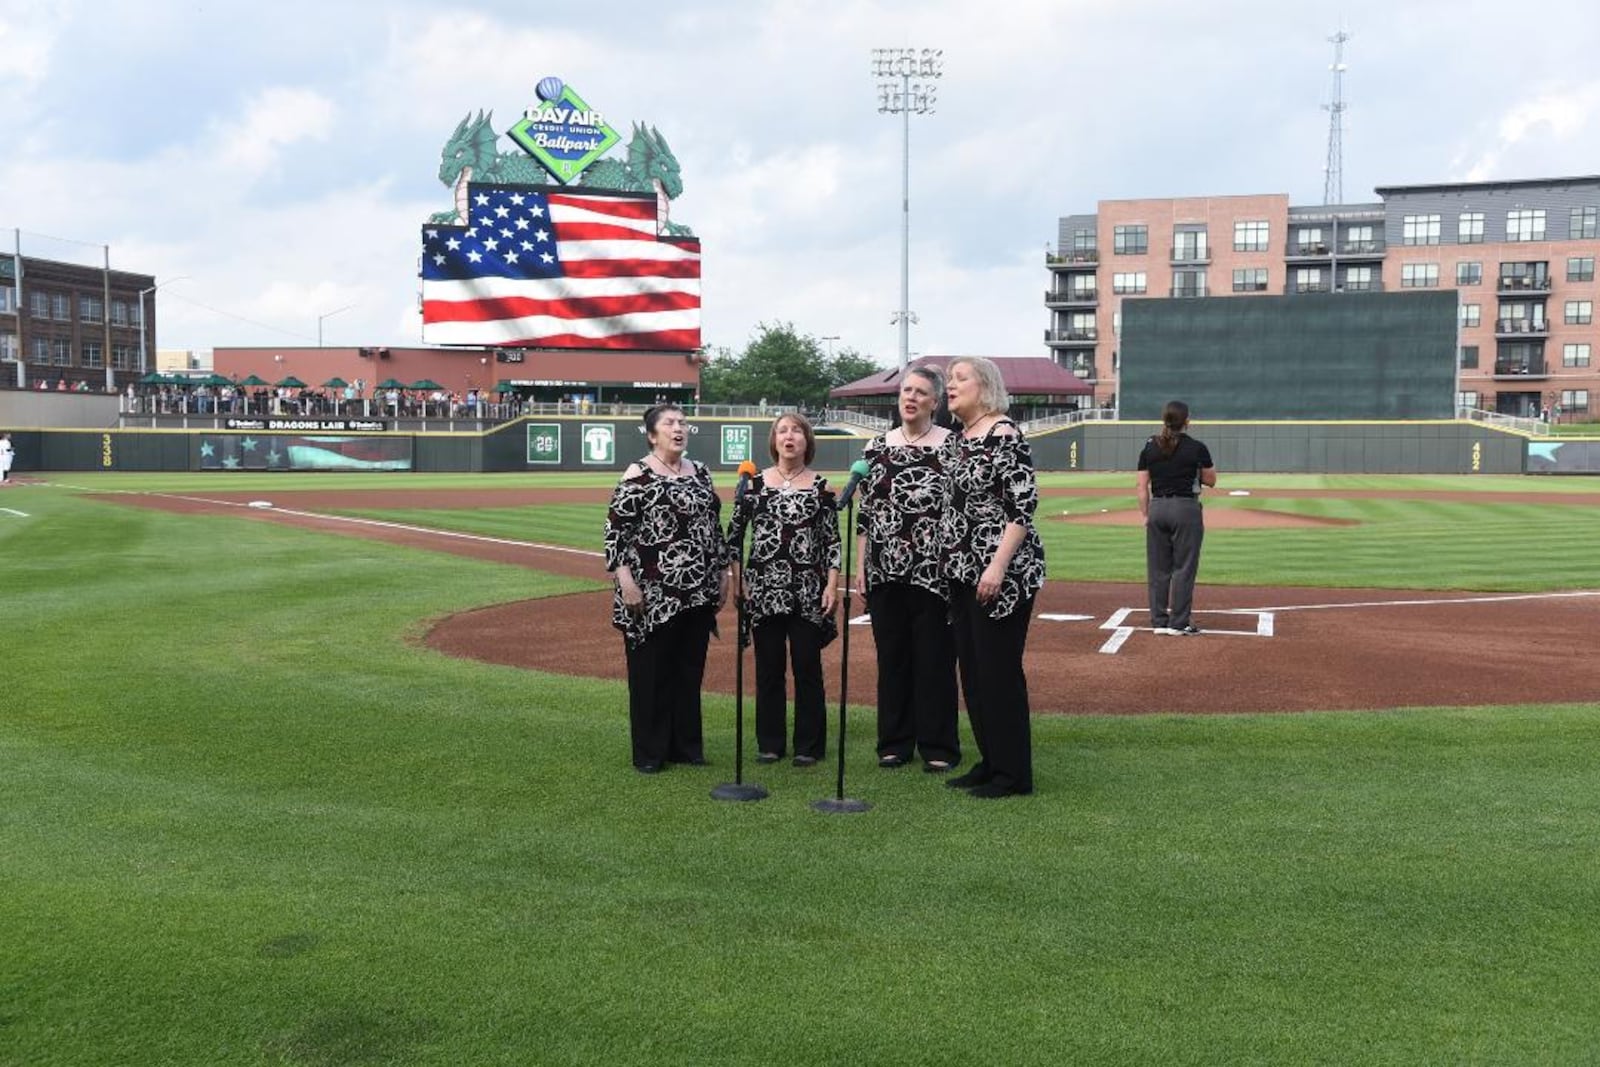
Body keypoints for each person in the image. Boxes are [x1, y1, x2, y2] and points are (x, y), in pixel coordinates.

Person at [604, 403, 731, 774]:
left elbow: (713, 526)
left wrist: (723, 571)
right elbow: (615, 532)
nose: (679, 428)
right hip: (652, 592)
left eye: (683, 422)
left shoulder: (701, 473)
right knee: (651, 673)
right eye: (670, 423)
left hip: (697, 590)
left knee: (689, 671)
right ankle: (650, 752)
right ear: (652, 434)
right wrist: (625, 580)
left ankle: (686, 747)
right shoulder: (637, 474)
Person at [940, 357, 1045, 799]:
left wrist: (997, 565)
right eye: (949, 379)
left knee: (998, 673)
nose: (951, 386)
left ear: (985, 387)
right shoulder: (959, 441)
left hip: (1001, 575)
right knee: (974, 673)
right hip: (964, 574)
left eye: (960, 379)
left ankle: (1013, 774)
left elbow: (1023, 506)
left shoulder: (1004, 434)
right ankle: (990, 761)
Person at [856, 364, 962, 773]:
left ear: (935, 402)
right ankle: (895, 742)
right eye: (905, 390)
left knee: (935, 660)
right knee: (893, 660)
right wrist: (863, 563)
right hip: (885, 570)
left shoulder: (953, 445)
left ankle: (938, 745)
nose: (911, 397)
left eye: (920, 392)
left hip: (935, 573)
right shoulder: (876, 448)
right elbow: (866, 512)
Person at [726, 413, 840, 767]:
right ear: (774, 441)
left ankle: (809, 745)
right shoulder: (753, 486)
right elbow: (734, 537)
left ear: (808, 441)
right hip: (763, 589)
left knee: (807, 667)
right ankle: (770, 742)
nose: (789, 437)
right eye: (782, 431)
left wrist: (832, 585)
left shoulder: (821, 488)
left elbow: (832, 543)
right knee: (769, 668)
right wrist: (738, 577)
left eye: (797, 431)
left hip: (807, 589)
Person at [1136, 400, 1217, 636]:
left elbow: (1141, 487)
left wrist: (1145, 514)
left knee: (1158, 569)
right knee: (1184, 567)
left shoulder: (1150, 446)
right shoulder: (1197, 448)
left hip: (1157, 508)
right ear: (1186, 421)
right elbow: (1211, 480)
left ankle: (1159, 621)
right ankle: (1179, 622)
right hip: (1186, 508)